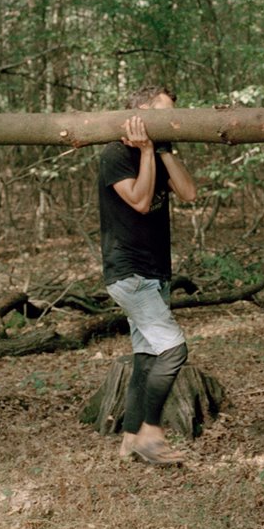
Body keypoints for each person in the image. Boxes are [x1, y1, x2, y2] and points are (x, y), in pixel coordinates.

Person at [97, 84, 199, 466]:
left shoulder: (158, 150)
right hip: (129, 272)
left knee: (145, 357)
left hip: (155, 272)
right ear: (140, 113)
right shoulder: (115, 153)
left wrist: (164, 149)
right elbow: (140, 201)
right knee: (173, 350)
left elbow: (188, 193)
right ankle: (151, 433)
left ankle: (129, 440)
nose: (170, 121)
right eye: (163, 113)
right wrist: (144, 152)